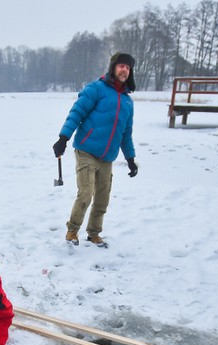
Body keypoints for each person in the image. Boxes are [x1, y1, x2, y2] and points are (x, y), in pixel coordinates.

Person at [53, 52, 138, 249]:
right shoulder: (96, 89)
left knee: (102, 197)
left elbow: (126, 133)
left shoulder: (127, 102)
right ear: (113, 67)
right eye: (121, 66)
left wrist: (131, 158)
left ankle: (94, 234)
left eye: (128, 67)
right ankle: (72, 230)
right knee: (86, 192)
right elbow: (77, 112)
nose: (124, 69)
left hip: (107, 157)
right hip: (86, 150)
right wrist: (63, 138)